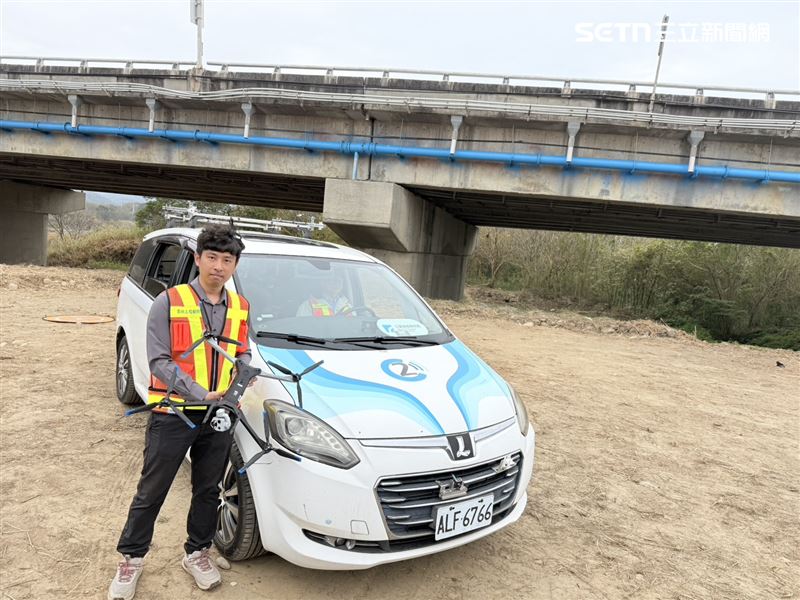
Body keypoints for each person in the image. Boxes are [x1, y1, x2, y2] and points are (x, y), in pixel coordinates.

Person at [109, 225, 249, 600]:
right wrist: (203, 393)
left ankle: (197, 552)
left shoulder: (240, 305)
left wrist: (244, 373)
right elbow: (159, 361)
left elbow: (243, 349)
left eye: (227, 259)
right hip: (174, 413)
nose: (219, 266)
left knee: (208, 488)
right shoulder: (169, 302)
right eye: (212, 258)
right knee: (152, 489)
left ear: (235, 264)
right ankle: (131, 559)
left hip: (219, 414)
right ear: (197, 258)